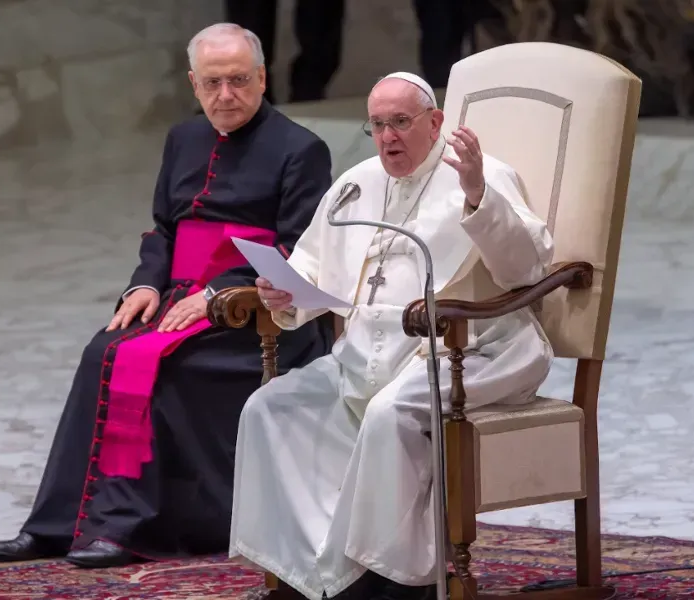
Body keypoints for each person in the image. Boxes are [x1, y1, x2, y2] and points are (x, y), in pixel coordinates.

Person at [0, 23, 335, 569]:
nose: (227, 95)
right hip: (176, 296)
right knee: (101, 352)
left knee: (169, 367)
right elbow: (163, 231)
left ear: (263, 78)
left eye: (240, 80)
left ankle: (130, 528)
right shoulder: (182, 139)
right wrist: (145, 283)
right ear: (194, 84)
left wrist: (220, 293)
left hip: (257, 314)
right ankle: (56, 527)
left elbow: (300, 248)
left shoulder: (301, 149)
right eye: (213, 83)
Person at [229, 72, 555, 600]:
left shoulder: (483, 175)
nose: (388, 137)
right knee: (270, 407)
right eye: (377, 125)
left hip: (472, 348)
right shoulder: (357, 183)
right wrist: (286, 293)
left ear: (435, 122)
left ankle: (392, 584)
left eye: (401, 122)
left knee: (389, 414)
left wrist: (476, 195)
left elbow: (527, 269)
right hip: (365, 354)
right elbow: (313, 265)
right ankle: (306, 576)